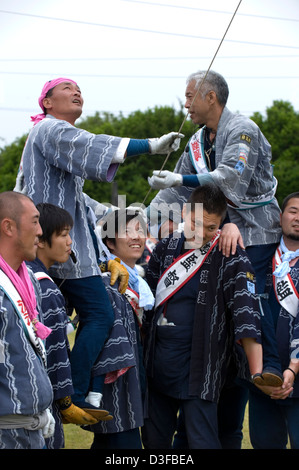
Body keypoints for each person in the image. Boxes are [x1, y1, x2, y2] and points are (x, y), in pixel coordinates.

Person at [14, 77, 183, 414]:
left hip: (60, 251)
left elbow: (83, 202)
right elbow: (94, 145)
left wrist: (128, 214)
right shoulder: (49, 130)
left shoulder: (56, 144)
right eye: (66, 89)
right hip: (50, 248)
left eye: (79, 89)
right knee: (97, 316)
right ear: (46, 102)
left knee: (60, 324)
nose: (76, 92)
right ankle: (68, 396)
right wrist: (151, 145)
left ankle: (68, 395)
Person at [147, 70, 283, 446]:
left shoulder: (242, 129)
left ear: (211, 97)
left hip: (254, 230)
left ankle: (266, 367)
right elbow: (174, 195)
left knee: (251, 299)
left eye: (190, 96)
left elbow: (229, 179)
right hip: (215, 232)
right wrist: (140, 219)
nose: (185, 103)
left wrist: (182, 183)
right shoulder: (196, 141)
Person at [141, 184, 263, 449]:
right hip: (158, 365)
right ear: (185, 211)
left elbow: (247, 313)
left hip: (202, 369)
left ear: (221, 222)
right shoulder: (164, 248)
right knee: (154, 442)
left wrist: (257, 372)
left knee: (203, 442)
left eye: (211, 227)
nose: (202, 233)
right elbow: (146, 301)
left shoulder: (230, 253)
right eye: (195, 223)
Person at [26, 202, 104, 449]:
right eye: (62, 235)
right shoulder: (45, 288)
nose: (70, 241)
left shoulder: (21, 275)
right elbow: (56, 353)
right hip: (43, 402)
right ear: (40, 239)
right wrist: (66, 401)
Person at [84, 208, 154, 449]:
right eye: (126, 232)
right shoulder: (108, 281)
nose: (136, 237)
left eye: (139, 230)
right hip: (114, 382)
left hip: (135, 377)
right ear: (110, 243)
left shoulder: (140, 281)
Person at [0, 191, 55, 449]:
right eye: (34, 221)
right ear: (8, 227)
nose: (40, 231)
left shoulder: (29, 280)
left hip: (32, 430)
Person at [247, 192, 299, 449]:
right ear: (280, 217)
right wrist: (259, 372)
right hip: (262, 377)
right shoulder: (259, 256)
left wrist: (292, 369)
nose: (298, 218)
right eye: (293, 211)